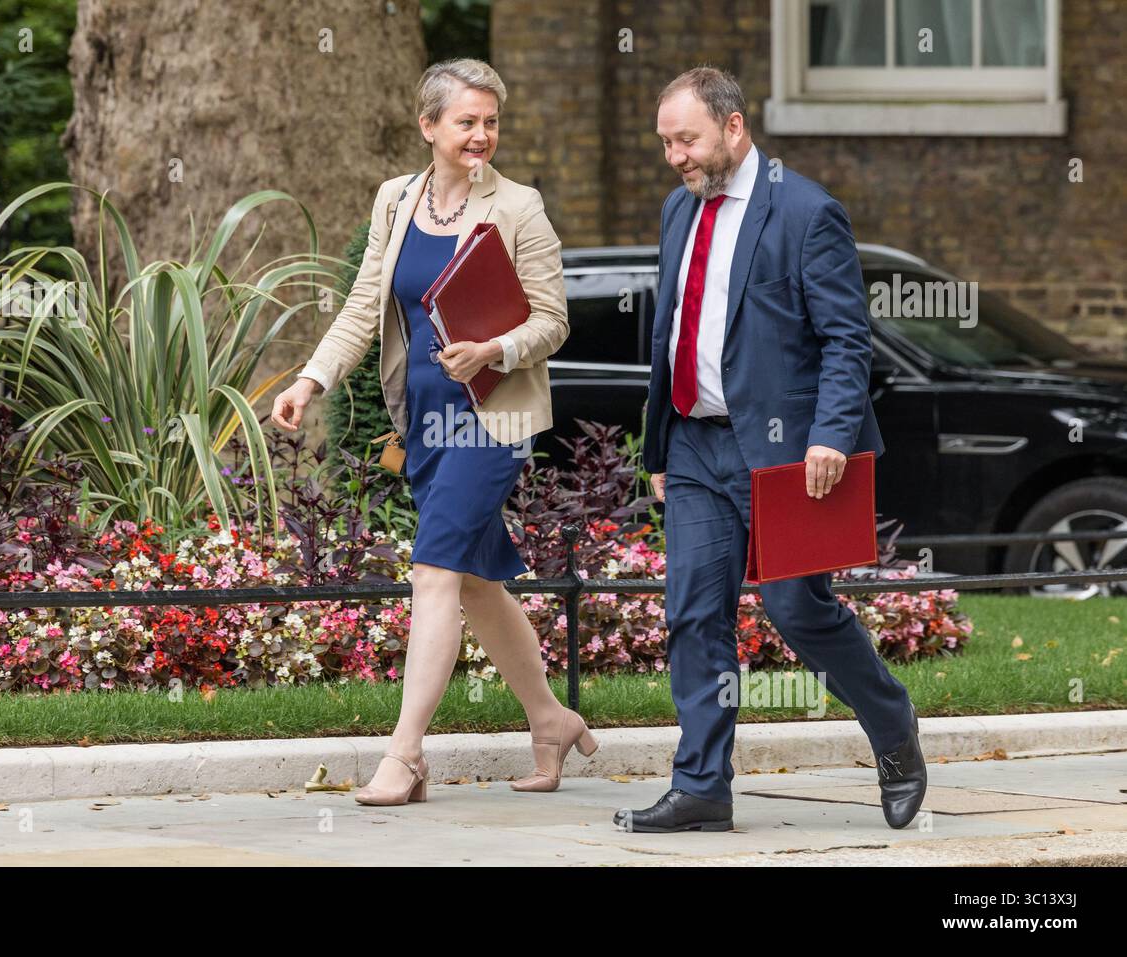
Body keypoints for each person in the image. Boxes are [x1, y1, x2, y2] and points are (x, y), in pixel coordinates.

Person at [271, 58, 597, 806]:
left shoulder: (519, 206)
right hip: (422, 418)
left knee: (434, 570)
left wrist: (496, 350)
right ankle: (551, 719)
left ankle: (406, 754)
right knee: (479, 583)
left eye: (490, 122)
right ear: (428, 127)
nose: (481, 135)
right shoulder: (396, 200)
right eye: (466, 122)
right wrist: (310, 379)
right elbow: (363, 306)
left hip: (492, 419)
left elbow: (553, 319)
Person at [614, 66, 927, 833]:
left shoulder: (806, 211)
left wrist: (828, 433)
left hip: (786, 452)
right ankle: (702, 785)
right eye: (664, 142)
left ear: (733, 126)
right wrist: (660, 443)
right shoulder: (675, 212)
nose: (674, 157)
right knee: (693, 611)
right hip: (694, 443)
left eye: (684, 139)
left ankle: (895, 732)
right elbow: (672, 334)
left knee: (798, 608)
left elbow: (847, 341)